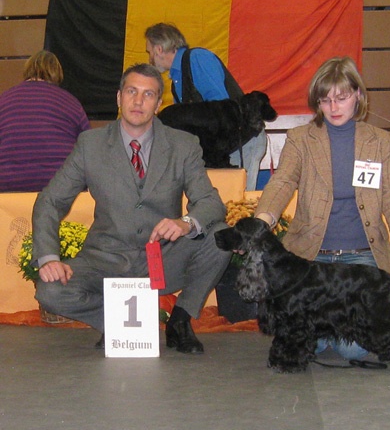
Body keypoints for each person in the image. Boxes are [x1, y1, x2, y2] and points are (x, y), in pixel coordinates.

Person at [32, 63, 231, 355]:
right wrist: (49, 258)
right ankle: (118, 324)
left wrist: (186, 222)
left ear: (158, 104)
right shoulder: (90, 145)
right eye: (131, 92)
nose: (138, 101)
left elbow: (211, 203)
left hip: (164, 257)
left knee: (220, 238)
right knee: (49, 290)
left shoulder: (183, 145)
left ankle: (180, 319)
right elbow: (50, 200)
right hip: (105, 260)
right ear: (118, 97)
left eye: (148, 94)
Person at [254, 56, 390, 360]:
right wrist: (262, 222)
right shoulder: (301, 139)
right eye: (325, 100)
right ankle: (323, 330)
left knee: (353, 348)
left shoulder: (381, 142)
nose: (333, 107)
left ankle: (327, 331)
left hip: (360, 257)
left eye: (341, 98)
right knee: (306, 337)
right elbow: (282, 183)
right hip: (310, 257)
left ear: (358, 95)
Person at [145, 22, 267, 191]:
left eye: (149, 52)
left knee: (236, 202)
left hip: (242, 143)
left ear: (158, 49)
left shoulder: (196, 58)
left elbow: (222, 110)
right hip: (224, 148)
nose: (150, 57)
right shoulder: (178, 80)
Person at [0, 50, 90, 192]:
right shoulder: (70, 102)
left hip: (8, 187)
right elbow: (89, 148)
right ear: (57, 72)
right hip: (60, 187)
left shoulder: (4, 100)